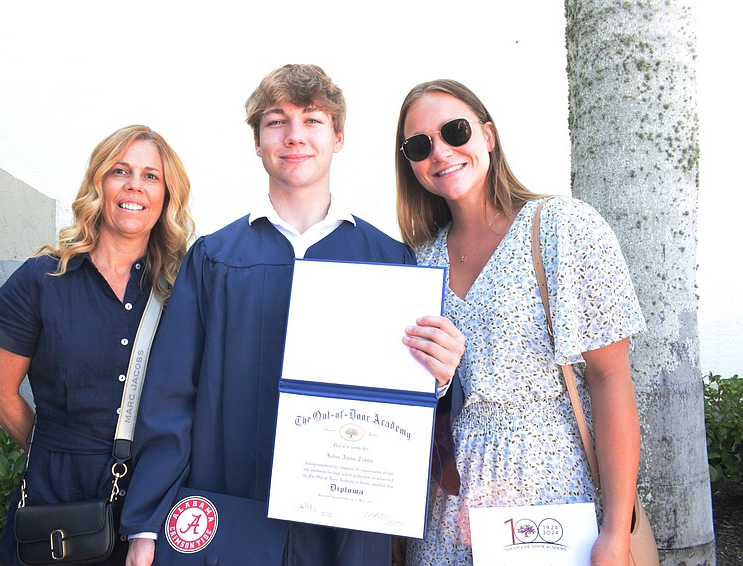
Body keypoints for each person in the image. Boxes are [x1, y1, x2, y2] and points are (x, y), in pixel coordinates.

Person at [121, 64, 465, 566]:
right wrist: (146, 523)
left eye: (313, 120)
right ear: (257, 142)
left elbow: (414, 402)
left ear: (338, 137)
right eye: (277, 122)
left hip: (347, 524)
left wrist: (438, 378)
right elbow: (169, 399)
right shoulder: (215, 258)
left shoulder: (389, 260)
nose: (295, 136)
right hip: (230, 514)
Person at [394, 79, 647, 565]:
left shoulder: (562, 226)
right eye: (420, 146)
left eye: (455, 131)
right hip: (448, 515)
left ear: (488, 135)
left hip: (553, 503)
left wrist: (616, 530)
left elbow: (610, 378)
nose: (441, 152)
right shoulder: (420, 261)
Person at [0, 124, 194, 565]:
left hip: (150, 506)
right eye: (120, 171)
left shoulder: (182, 292)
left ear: (166, 197)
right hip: (55, 498)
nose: (135, 186)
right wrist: (53, 453)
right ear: (99, 184)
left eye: (151, 176)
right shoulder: (41, 280)